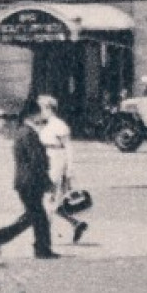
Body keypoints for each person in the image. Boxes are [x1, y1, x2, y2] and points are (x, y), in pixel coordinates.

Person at [0, 99, 59, 260]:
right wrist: (47, 182)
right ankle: (41, 249)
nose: (41, 116)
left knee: (33, 215)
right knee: (39, 216)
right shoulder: (29, 134)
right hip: (31, 181)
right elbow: (36, 161)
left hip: (25, 181)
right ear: (32, 114)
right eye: (39, 112)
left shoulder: (23, 132)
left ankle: (1, 237)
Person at [36, 95, 87, 244]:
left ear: (48, 108)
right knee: (51, 201)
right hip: (45, 161)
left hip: (56, 161)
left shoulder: (59, 125)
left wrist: (70, 168)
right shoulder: (43, 125)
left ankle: (45, 237)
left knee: (49, 198)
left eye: (41, 108)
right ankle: (75, 224)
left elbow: (68, 147)